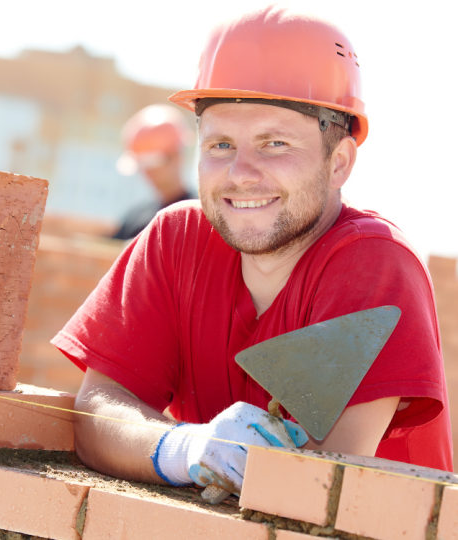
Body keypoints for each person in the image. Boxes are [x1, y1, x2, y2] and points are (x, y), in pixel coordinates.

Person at [52, 6, 453, 496]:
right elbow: (96, 409)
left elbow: (315, 484)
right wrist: (183, 449)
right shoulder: (175, 240)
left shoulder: (373, 263)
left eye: (275, 143)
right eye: (220, 145)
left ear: (340, 162)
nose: (240, 173)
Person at [112, 104, 194, 240]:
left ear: (176, 156)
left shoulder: (199, 217)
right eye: (142, 163)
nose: (147, 171)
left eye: (152, 162)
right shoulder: (135, 217)